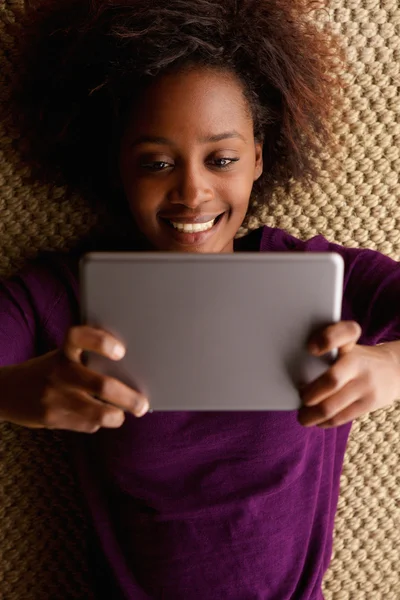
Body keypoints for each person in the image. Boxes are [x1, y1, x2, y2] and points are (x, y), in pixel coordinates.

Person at [1, 0, 400, 598]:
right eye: (158, 162)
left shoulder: (321, 273)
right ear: (119, 166)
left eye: (222, 159)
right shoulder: (62, 293)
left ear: (259, 158)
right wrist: (11, 392)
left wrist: (393, 366)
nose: (192, 191)